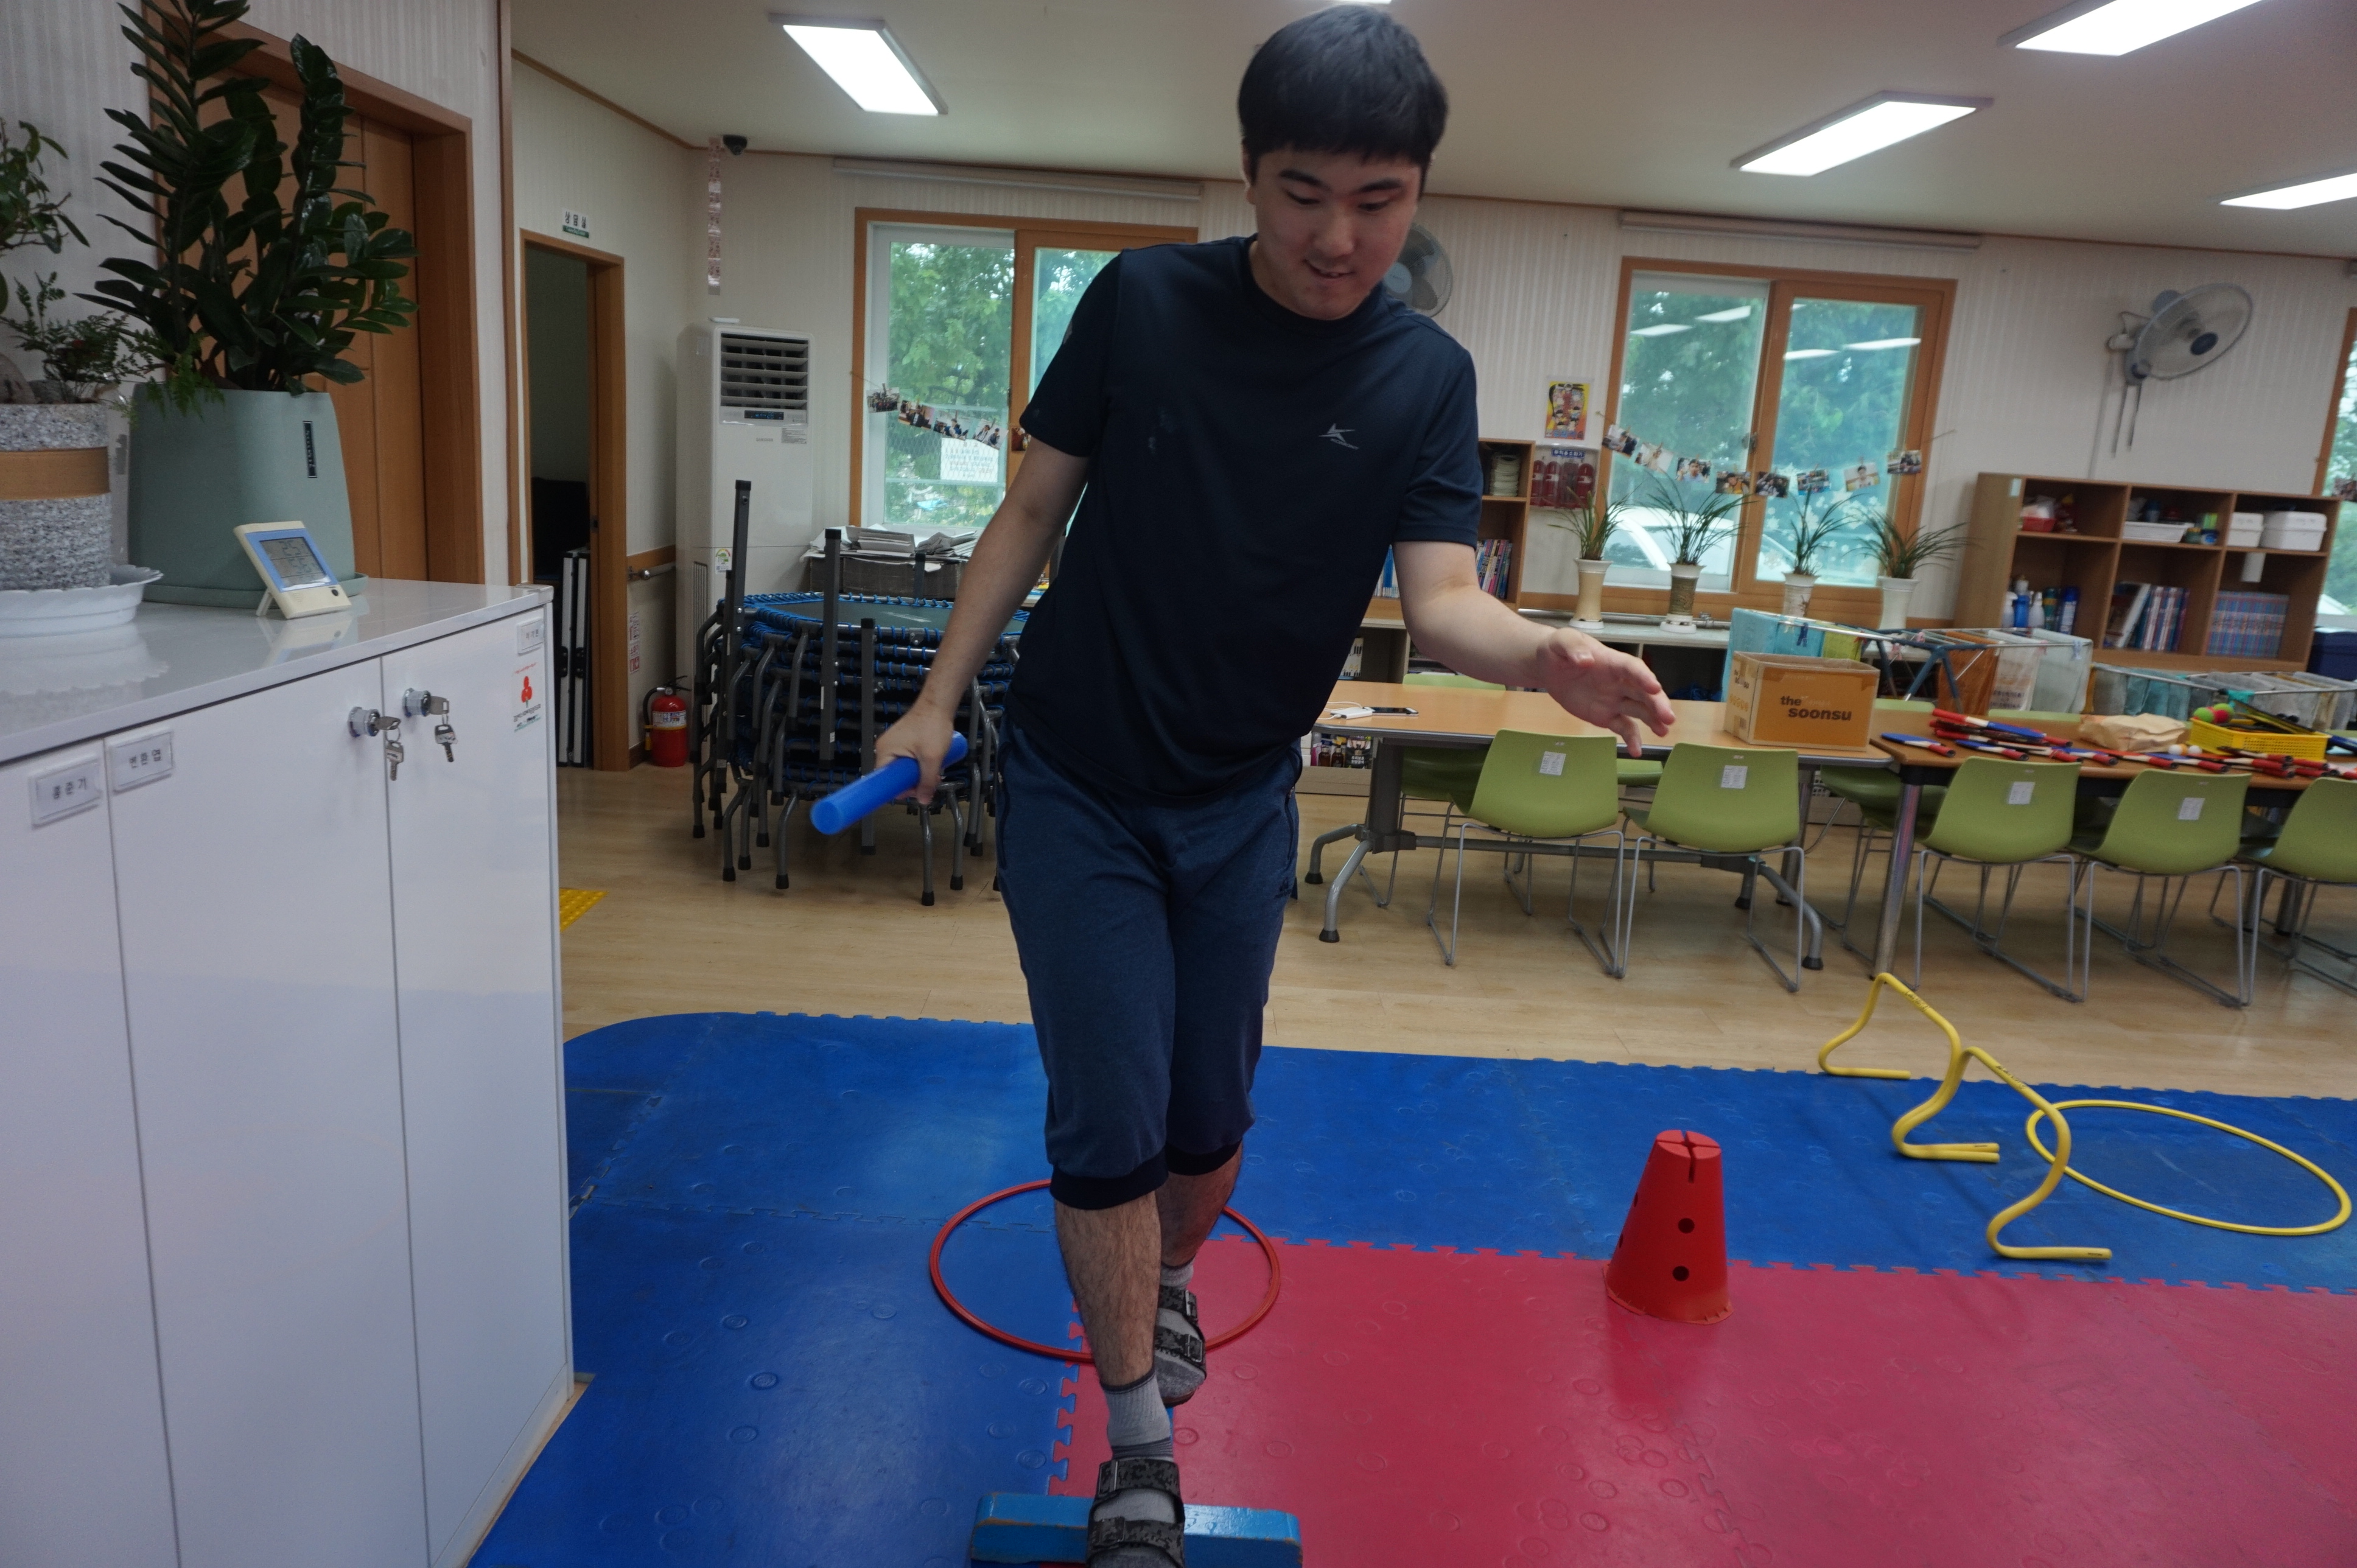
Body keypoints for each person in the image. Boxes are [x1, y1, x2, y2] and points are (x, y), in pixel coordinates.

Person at [874, 11, 1672, 1564]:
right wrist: (933, 701)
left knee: (1206, 1129)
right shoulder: (1143, 302)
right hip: (1081, 778)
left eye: (1378, 200)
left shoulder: (1423, 376)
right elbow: (1032, 508)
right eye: (1303, 194)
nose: (1338, 237)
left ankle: (1167, 1275)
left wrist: (1543, 656)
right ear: (1249, 177)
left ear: (1418, 191)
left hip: (1242, 797)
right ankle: (1138, 1451)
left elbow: (1441, 600)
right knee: (1107, 1124)